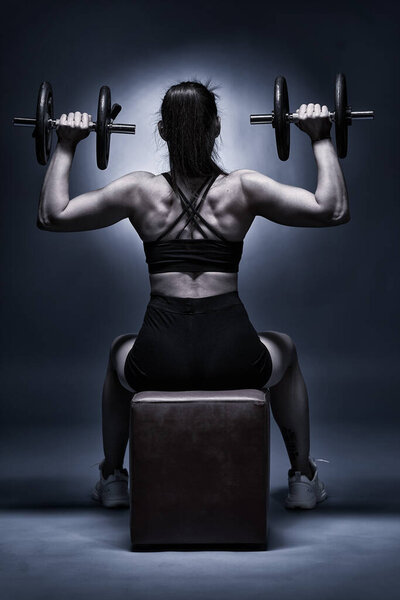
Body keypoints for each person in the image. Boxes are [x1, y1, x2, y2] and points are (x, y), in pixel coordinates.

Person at [37, 81, 349, 511]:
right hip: (235, 356)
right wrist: (321, 137)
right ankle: (302, 477)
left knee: (117, 353)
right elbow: (332, 209)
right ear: (216, 127)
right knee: (286, 350)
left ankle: (112, 478)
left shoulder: (138, 191)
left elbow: (52, 216)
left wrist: (66, 143)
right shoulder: (243, 188)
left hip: (157, 358)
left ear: (163, 131)